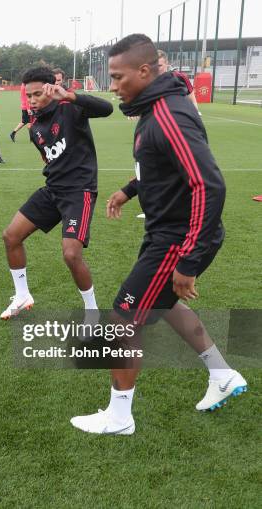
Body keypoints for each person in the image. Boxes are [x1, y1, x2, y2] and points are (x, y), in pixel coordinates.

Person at [70, 34, 247, 436]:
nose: (112, 86)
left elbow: (208, 185)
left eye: (118, 77)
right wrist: (130, 190)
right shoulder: (153, 108)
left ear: (145, 71)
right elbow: (163, 167)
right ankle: (222, 374)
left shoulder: (169, 114)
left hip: (177, 238)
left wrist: (188, 259)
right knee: (165, 306)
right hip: (164, 231)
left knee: (123, 321)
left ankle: (119, 417)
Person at [0, 67, 113, 320]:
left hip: (79, 191)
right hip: (53, 190)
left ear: (51, 90)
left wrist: (70, 96)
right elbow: (47, 160)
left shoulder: (71, 108)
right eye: (28, 95)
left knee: (71, 254)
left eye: (37, 94)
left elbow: (107, 109)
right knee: (11, 236)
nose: (31, 100)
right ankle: (22, 295)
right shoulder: (35, 128)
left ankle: (92, 313)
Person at [10, 68, 66, 142]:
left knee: (26, 122)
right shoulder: (27, 87)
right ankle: (27, 137)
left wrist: (68, 96)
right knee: (28, 123)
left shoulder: (69, 99)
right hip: (27, 108)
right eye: (29, 96)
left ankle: (19, 134)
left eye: (58, 80)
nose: (56, 83)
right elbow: (24, 98)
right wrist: (28, 108)